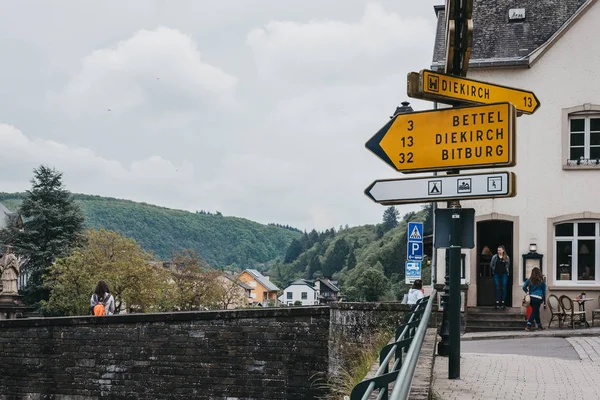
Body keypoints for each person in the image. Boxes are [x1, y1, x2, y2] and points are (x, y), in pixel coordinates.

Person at [490, 245, 510, 309]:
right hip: (496, 273)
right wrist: (494, 269)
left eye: (500, 250)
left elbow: (508, 265)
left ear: (503, 250)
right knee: (497, 287)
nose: (499, 251)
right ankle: (497, 302)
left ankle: (503, 302)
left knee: (504, 287)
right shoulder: (495, 257)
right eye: (498, 250)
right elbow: (491, 264)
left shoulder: (506, 257)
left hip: (504, 274)